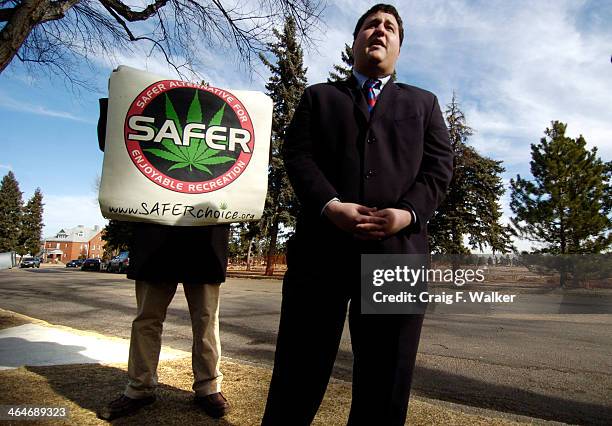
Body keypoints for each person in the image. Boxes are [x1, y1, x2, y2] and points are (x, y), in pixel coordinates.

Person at [262, 4, 453, 426]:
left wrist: (406, 214)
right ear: (355, 42)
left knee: (386, 382)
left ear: (399, 46)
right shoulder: (319, 97)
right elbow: (298, 156)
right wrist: (331, 206)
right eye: (371, 24)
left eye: (389, 28)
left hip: (397, 257)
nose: (380, 31)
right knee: (298, 371)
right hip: (320, 253)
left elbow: (439, 168)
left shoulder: (424, 104)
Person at [95, 99, 231, 420]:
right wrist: (116, 101)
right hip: (157, 231)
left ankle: (209, 387)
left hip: (205, 234)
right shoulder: (150, 116)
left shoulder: (225, 127)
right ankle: (139, 388)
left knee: (206, 318)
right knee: (148, 316)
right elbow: (111, 141)